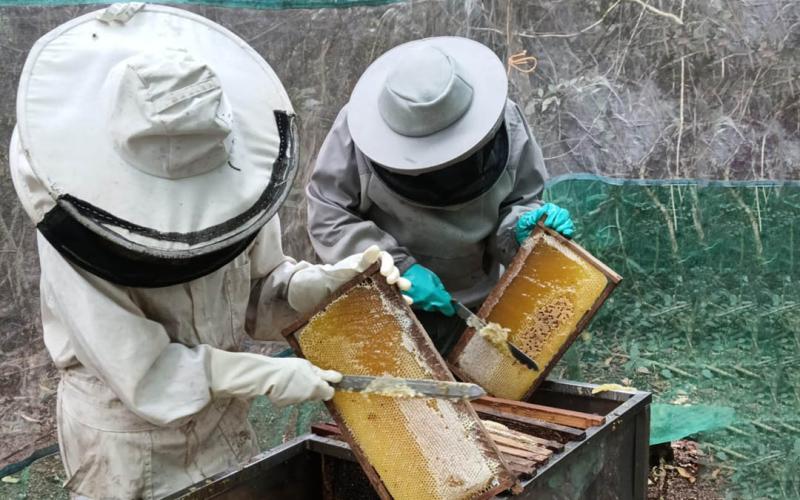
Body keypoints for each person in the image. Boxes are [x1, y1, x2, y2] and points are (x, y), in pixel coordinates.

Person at [9, 4, 409, 498]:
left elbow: (263, 290)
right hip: (132, 450)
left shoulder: (237, 183)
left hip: (224, 419)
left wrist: (333, 279)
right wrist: (261, 372)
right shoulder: (79, 226)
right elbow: (145, 375)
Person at [306, 37, 574, 355]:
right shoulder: (355, 131)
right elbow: (328, 214)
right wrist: (396, 267)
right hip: (383, 307)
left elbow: (519, 201)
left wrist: (521, 230)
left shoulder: (508, 122)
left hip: (478, 306)